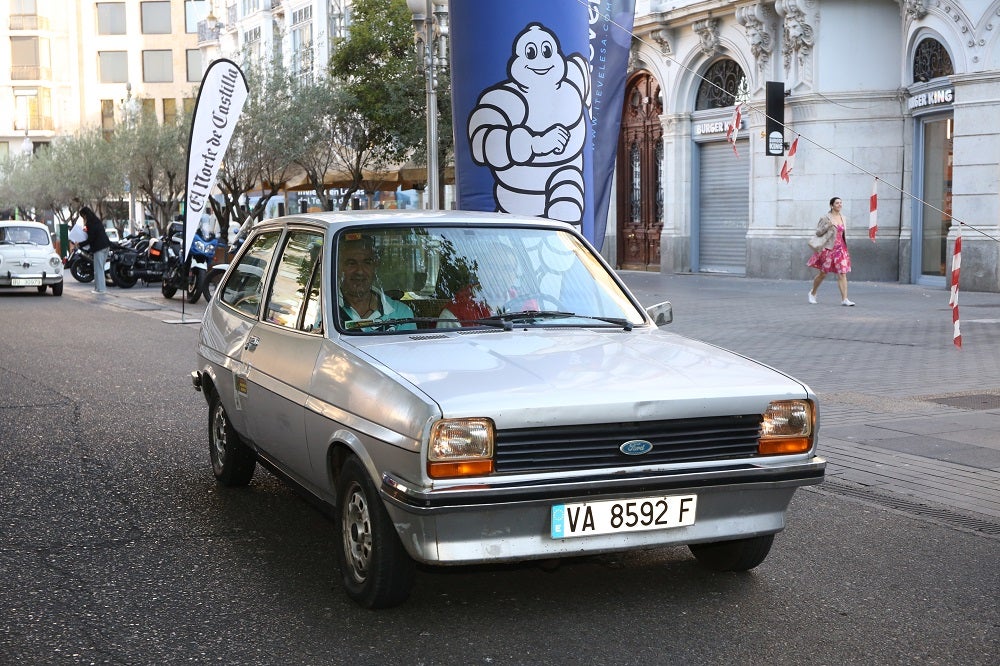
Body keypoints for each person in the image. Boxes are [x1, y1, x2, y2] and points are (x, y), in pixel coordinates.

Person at [337, 234, 416, 331]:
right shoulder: (325, 308)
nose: (360, 271)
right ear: (338, 267)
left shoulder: (401, 313)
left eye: (367, 263)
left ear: (375, 267)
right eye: (351, 263)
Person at [807, 196, 854, 306]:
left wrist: (845, 249)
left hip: (841, 249)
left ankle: (845, 299)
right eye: (837, 203)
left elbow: (842, 234)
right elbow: (818, 232)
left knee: (842, 274)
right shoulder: (826, 218)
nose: (840, 205)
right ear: (832, 205)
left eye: (841, 203)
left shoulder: (843, 217)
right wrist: (829, 224)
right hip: (829, 249)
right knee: (823, 274)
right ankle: (812, 293)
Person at [78, 203, 112, 294]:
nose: (83, 218)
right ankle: (99, 288)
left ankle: (100, 289)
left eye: (82, 216)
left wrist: (80, 244)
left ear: (85, 215)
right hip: (106, 246)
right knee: (100, 268)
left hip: (99, 248)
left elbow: (91, 239)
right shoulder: (96, 220)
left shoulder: (89, 223)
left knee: (98, 269)